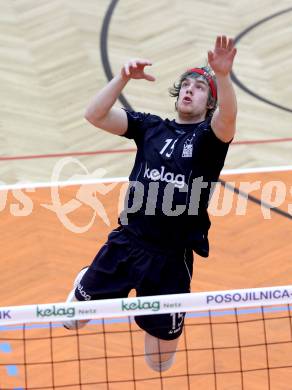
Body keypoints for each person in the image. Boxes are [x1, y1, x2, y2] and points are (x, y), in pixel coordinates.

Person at [63, 35, 237, 372]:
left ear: (210, 102)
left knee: (158, 363)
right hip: (126, 244)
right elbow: (94, 115)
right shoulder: (150, 128)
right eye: (185, 85)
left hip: (170, 262)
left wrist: (224, 76)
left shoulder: (209, 141)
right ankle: (87, 280)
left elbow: (228, 119)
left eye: (199, 87)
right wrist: (123, 77)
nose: (189, 90)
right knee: (71, 322)